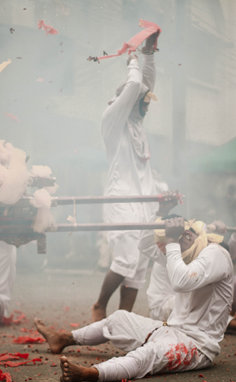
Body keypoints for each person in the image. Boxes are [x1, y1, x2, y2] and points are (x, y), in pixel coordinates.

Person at [34, 217, 233, 382]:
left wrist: (173, 239)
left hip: (198, 346)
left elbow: (182, 282)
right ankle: (63, 339)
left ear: (200, 234)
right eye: (180, 236)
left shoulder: (216, 254)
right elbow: (144, 243)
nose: (183, 238)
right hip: (169, 329)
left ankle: (90, 374)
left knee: (148, 355)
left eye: (187, 235)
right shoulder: (182, 254)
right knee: (119, 319)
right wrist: (162, 219)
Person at [92, 32, 160, 321]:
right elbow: (135, 84)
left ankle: (123, 322)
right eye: (142, 102)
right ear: (128, 101)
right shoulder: (113, 118)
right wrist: (132, 59)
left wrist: (149, 53)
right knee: (126, 259)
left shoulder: (137, 122)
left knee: (140, 266)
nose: (147, 106)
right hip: (121, 197)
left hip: (145, 201)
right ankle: (99, 305)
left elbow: (144, 85)